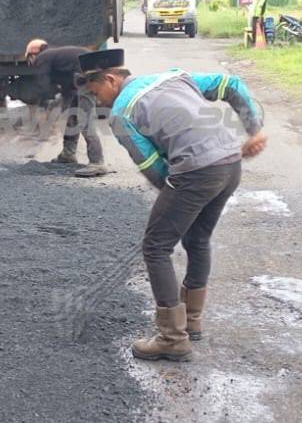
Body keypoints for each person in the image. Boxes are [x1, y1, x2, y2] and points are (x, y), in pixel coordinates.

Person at [77, 48, 268, 362]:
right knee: (197, 239)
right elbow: (230, 84)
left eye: (96, 92)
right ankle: (191, 320)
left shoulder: (121, 112)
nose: (98, 101)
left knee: (156, 246)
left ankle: (171, 337)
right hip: (230, 165)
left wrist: (176, 196)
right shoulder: (175, 75)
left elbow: (152, 167)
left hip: (196, 172)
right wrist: (255, 129)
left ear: (110, 79)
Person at [24, 38, 107, 177]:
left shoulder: (43, 57)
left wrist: (42, 104)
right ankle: (68, 154)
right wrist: (65, 100)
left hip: (88, 79)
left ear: (33, 52)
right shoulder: (57, 54)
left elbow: (42, 82)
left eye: (29, 56)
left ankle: (97, 162)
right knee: (72, 117)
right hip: (83, 77)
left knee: (84, 120)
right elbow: (67, 79)